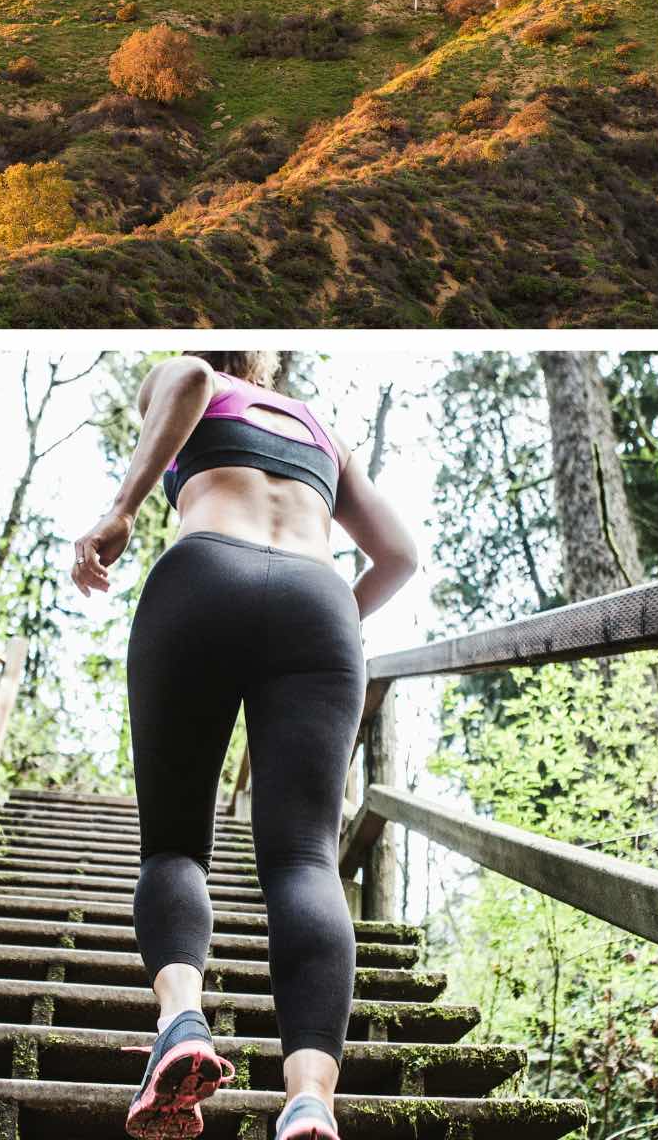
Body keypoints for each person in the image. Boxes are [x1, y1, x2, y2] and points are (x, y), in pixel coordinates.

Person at [71, 351, 418, 1140]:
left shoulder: (192, 378)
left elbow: (189, 378)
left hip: (204, 578)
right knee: (303, 861)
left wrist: (122, 508)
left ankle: (184, 1023)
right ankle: (309, 1102)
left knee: (174, 849)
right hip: (319, 600)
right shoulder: (320, 429)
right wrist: (330, 626)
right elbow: (399, 555)